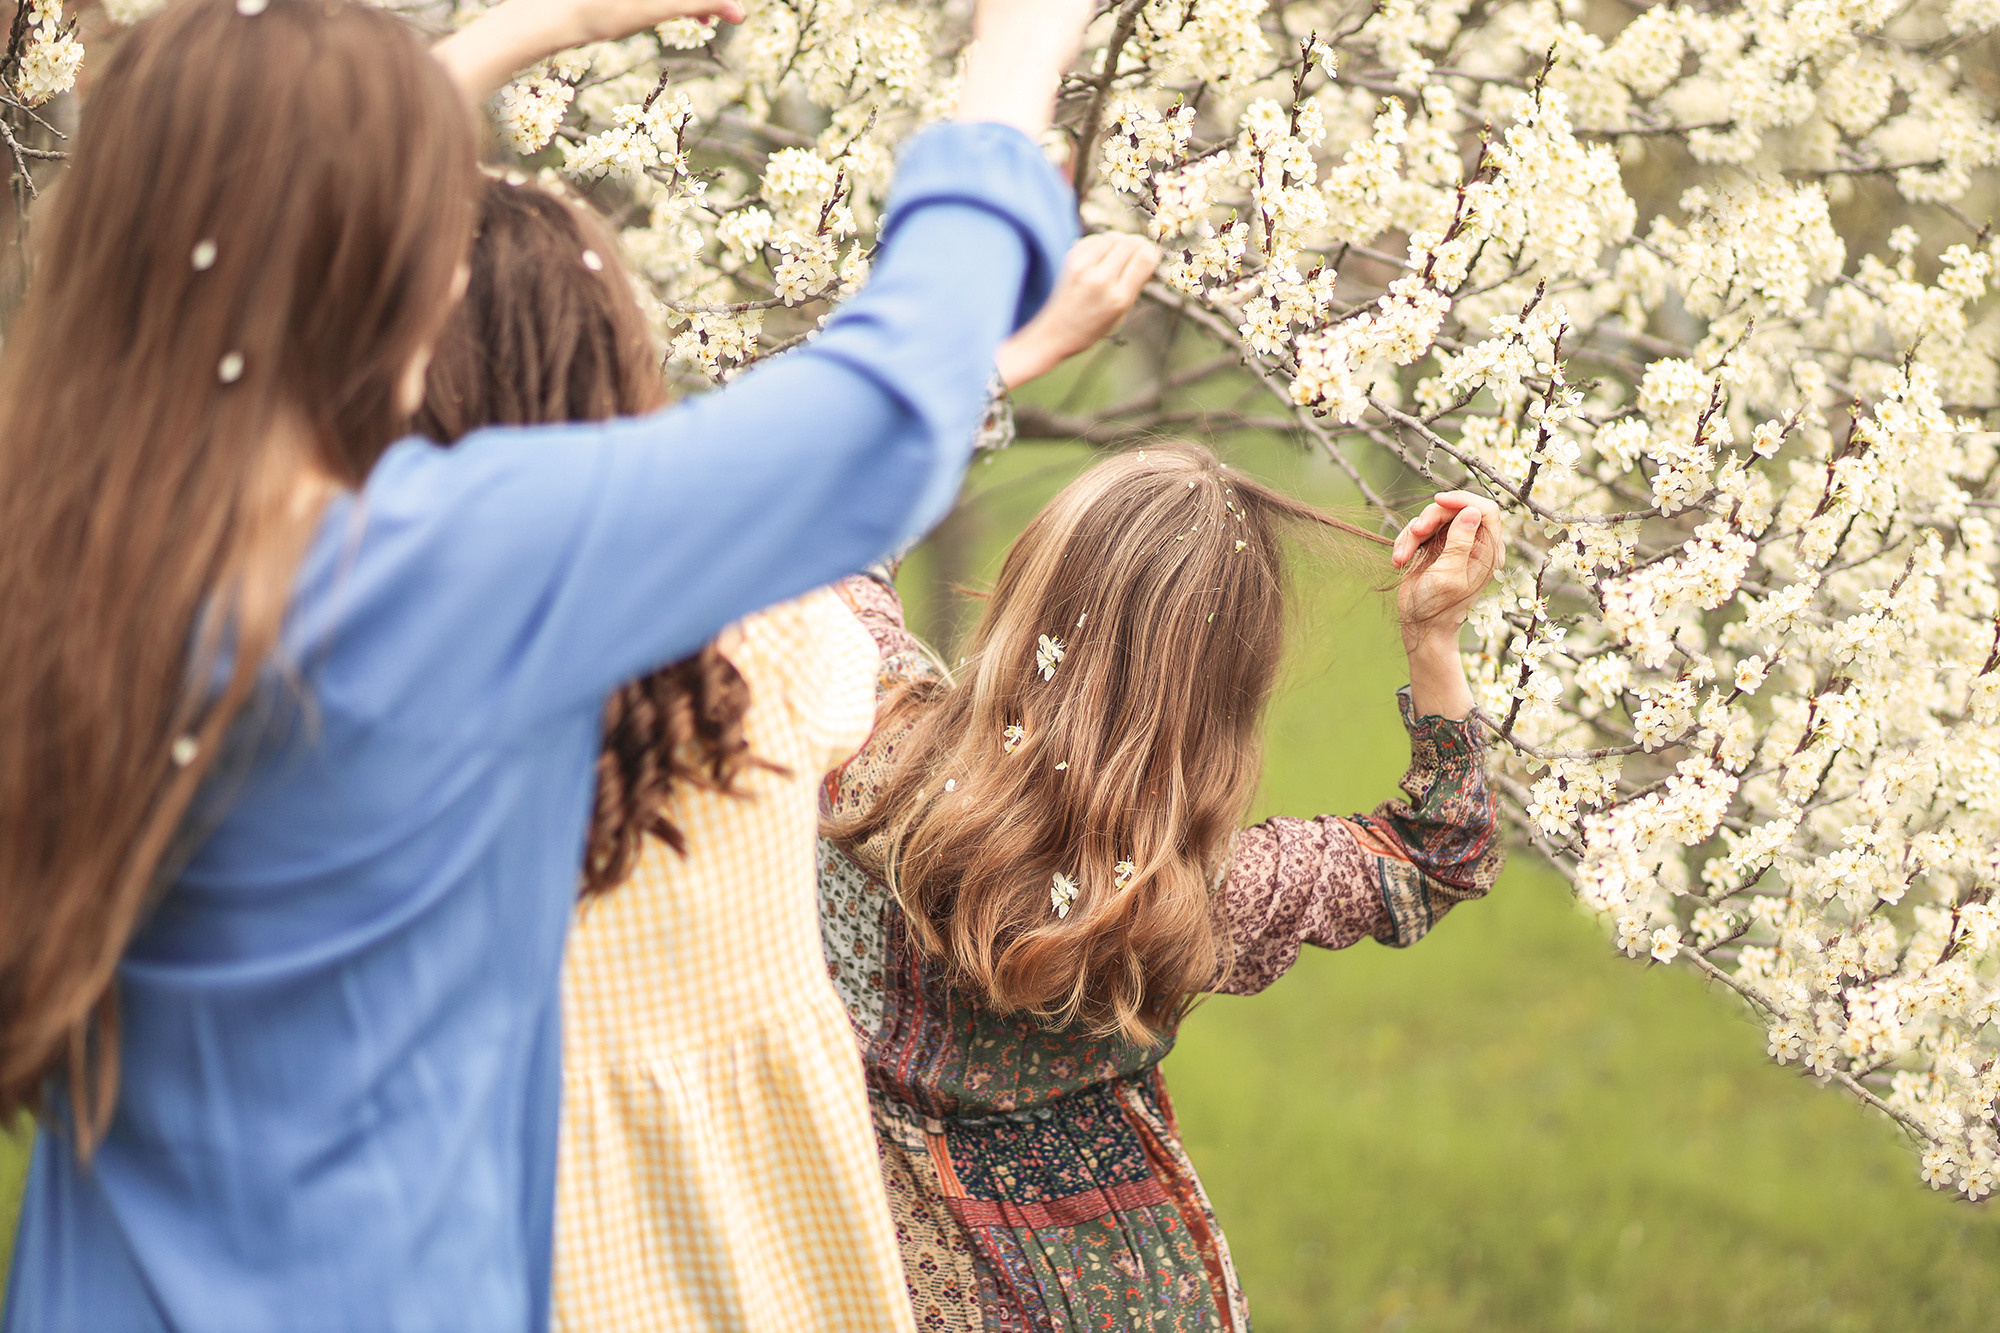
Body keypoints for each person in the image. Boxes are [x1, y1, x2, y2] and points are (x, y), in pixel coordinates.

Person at [0, 0, 1088, 1325]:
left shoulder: (65, 559)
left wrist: (521, 32)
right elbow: (883, 410)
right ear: (381, 263)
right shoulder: (431, 576)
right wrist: (1019, 50)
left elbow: (226, 211)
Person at [415, 176, 1159, 1331]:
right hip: (726, 1239)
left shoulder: (328, 658)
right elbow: (837, 518)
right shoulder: (764, 648)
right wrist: (1001, 360)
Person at [818, 447, 1507, 1330]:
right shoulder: (1200, 897)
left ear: (1031, 588)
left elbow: (840, 534)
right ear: (1225, 693)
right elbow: (1442, 852)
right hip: (1122, 1291)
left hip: (861, 1268)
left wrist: (987, 376)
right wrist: (1431, 636)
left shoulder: (874, 746)